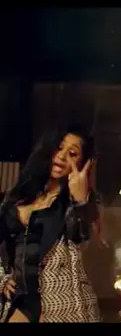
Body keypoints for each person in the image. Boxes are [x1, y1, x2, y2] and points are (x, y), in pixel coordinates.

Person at [0, 124, 103, 323]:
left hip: (64, 304)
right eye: (59, 147)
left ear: (82, 163)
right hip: (20, 301)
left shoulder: (81, 203)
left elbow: (86, 239)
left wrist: (81, 201)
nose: (62, 156)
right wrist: (2, 280)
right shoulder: (19, 196)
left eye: (72, 153)